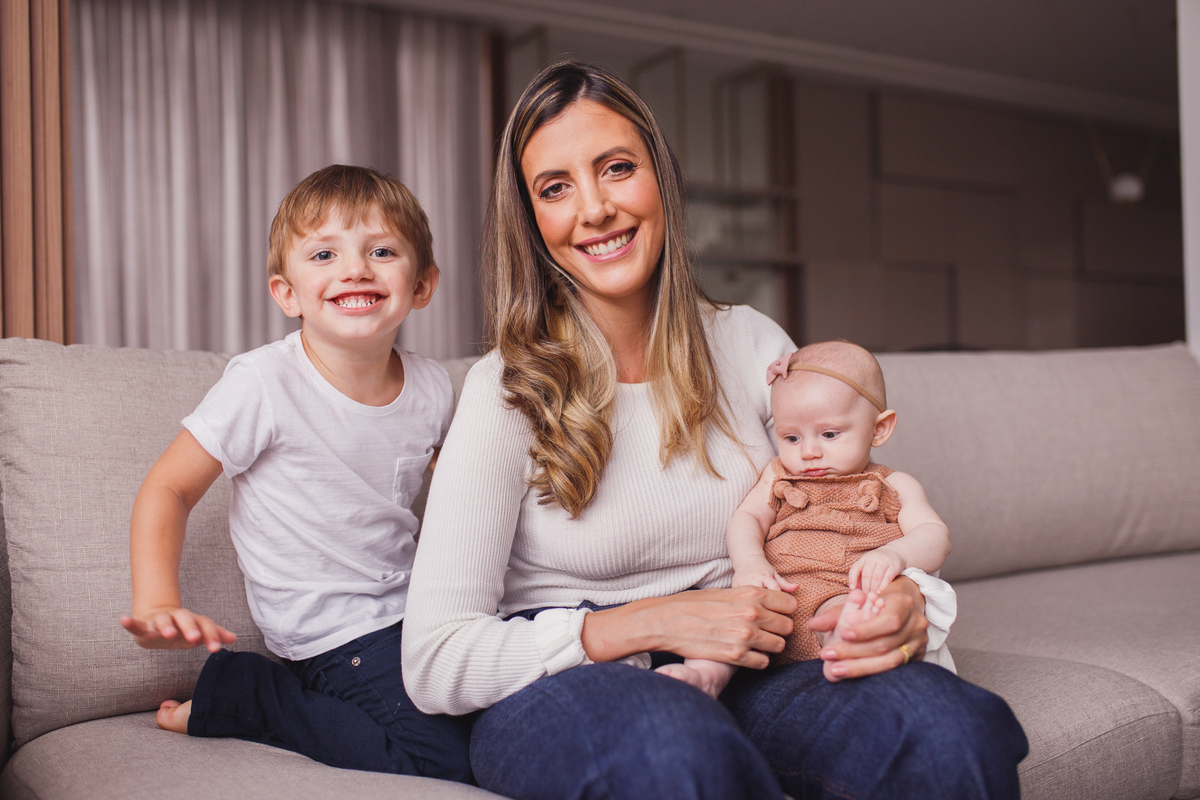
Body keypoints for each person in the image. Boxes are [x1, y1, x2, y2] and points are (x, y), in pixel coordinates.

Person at [403, 60, 1027, 800]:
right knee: (674, 753)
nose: (595, 208)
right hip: (576, 681)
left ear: (661, 180)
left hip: (760, 659)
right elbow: (435, 661)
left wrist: (910, 606)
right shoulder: (502, 389)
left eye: (616, 168)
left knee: (947, 729)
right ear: (531, 219)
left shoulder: (753, 346)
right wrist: (652, 622)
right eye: (556, 187)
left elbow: (859, 509)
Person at [119, 165, 472, 782]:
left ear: (422, 285)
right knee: (447, 760)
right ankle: (250, 695)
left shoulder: (434, 386)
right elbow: (169, 488)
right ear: (287, 293)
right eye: (325, 254)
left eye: (382, 251)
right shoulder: (263, 383)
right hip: (333, 633)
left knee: (503, 711)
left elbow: (457, 487)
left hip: (418, 608)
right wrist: (156, 601)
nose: (356, 268)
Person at [657, 340, 955, 699]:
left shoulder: (893, 485)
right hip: (776, 591)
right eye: (791, 437)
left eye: (829, 434)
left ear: (879, 429)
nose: (809, 452)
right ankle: (705, 677)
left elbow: (934, 534)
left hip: (841, 591)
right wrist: (750, 563)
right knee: (732, 619)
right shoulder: (778, 475)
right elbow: (748, 517)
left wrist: (897, 555)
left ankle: (845, 661)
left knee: (852, 616)